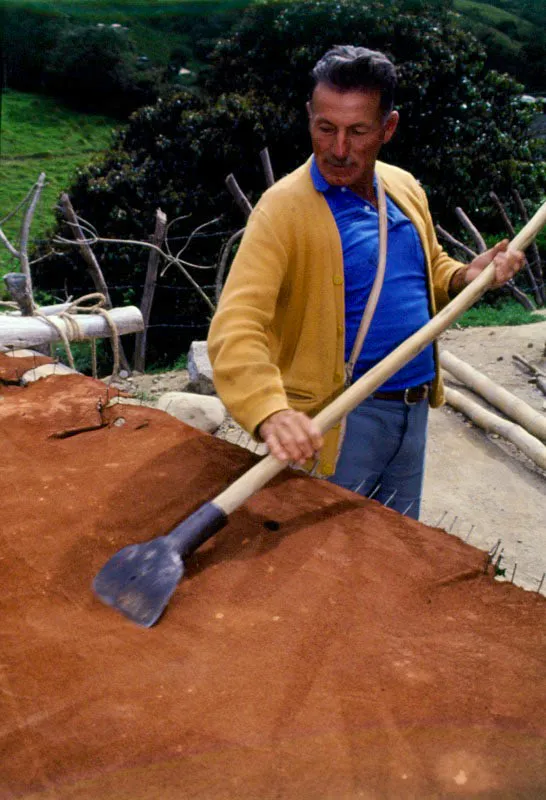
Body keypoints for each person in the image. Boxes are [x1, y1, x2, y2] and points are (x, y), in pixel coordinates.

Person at [207, 45, 524, 519]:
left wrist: (462, 276)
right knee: (324, 559)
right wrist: (270, 410)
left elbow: (424, 267)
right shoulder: (282, 211)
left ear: (387, 128)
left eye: (357, 132)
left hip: (414, 411)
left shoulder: (402, 187)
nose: (338, 149)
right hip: (342, 418)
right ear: (310, 118)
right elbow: (236, 325)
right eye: (325, 128)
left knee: (395, 541)